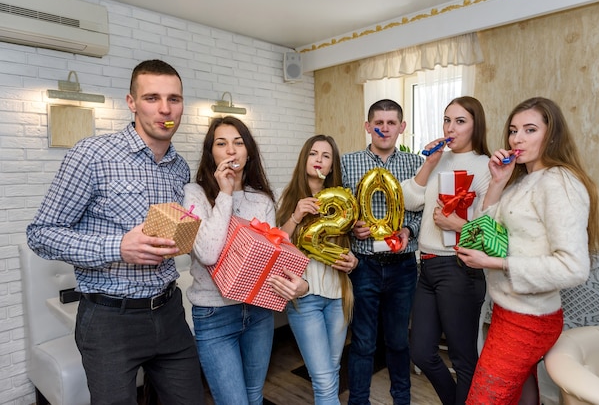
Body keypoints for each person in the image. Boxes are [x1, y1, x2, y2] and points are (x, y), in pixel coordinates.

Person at [26, 59, 205, 404]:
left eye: (174, 99)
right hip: (109, 320)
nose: (165, 109)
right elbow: (41, 233)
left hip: (170, 311)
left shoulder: (179, 167)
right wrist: (119, 247)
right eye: (152, 97)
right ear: (131, 102)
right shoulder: (92, 155)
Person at [457, 97, 599, 404]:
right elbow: (488, 230)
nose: (517, 138)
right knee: (520, 394)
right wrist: (497, 182)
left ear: (551, 135)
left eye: (530, 129)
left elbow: (574, 267)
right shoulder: (524, 181)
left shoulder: (559, 183)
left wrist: (496, 263)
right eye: (513, 130)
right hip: (508, 310)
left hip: (528, 320)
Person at [183, 116, 308, 405]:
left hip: (258, 312)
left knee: (254, 396)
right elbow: (208, 253)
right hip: (214, 315)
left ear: (248, 151)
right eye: (221, 143)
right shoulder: (194, 194)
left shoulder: (261, 200)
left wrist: (301, 284)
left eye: (238, 143)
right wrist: (224, 194)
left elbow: (269, 259)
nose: (231, 150)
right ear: (210, 153)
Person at [401, 96, 491, 405]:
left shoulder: (485, 166)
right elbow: (409, 201)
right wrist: (428, 163)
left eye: (460, 121)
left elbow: (494, 228)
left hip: (460, 268)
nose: (451, 128)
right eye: (446, 120)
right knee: (422, 352)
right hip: (426, 265)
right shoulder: (438, 159)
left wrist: (456, 224)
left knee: (463, 359)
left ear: (475, 126)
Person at [341, 99, 423, 405]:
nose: (384, 128)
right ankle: (358, 401)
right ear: (368, 126)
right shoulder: (348, 162)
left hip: (402, 266)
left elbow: (422, 209)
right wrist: (352, 226)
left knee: (399, 341)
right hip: (364, 264)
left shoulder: (415, 164)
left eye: (391, 123)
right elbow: (338, 207)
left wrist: (409, 230)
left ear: (401, 128)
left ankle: (402, 400)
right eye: (379, 122)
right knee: (362, 342)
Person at [271, 135, 358, 405]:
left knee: (331, 372)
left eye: (326, 156)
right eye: (313, 153)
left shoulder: (343, 202)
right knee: (322, 378)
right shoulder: (287, 198)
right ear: (304, 159)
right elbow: (275, 245)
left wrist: (353, 261)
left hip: (338, 295)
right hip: (304, 299)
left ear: (332, 167)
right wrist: (297, 215)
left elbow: (347, 247)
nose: (318, 159)